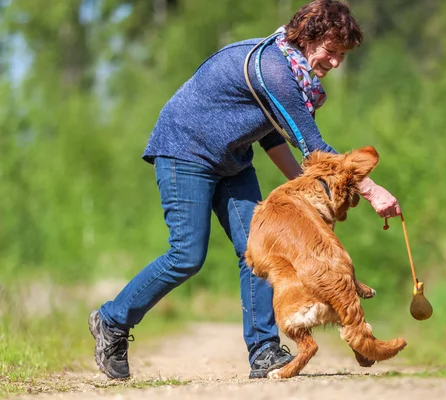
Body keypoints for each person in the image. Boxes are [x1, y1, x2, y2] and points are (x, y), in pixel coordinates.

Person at [88, 0, 402, 380]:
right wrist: (370, 190)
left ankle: (264, 350)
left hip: (231, 160)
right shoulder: (274, 69)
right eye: (332, 52)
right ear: (307, 38)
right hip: (184, 151)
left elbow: (271, 134)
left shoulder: (289, 71)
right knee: (187, 254)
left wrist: (297, 187)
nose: (335, 63)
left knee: (257, 251)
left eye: (342, 55)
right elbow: (314, 149)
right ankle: (112, 320)